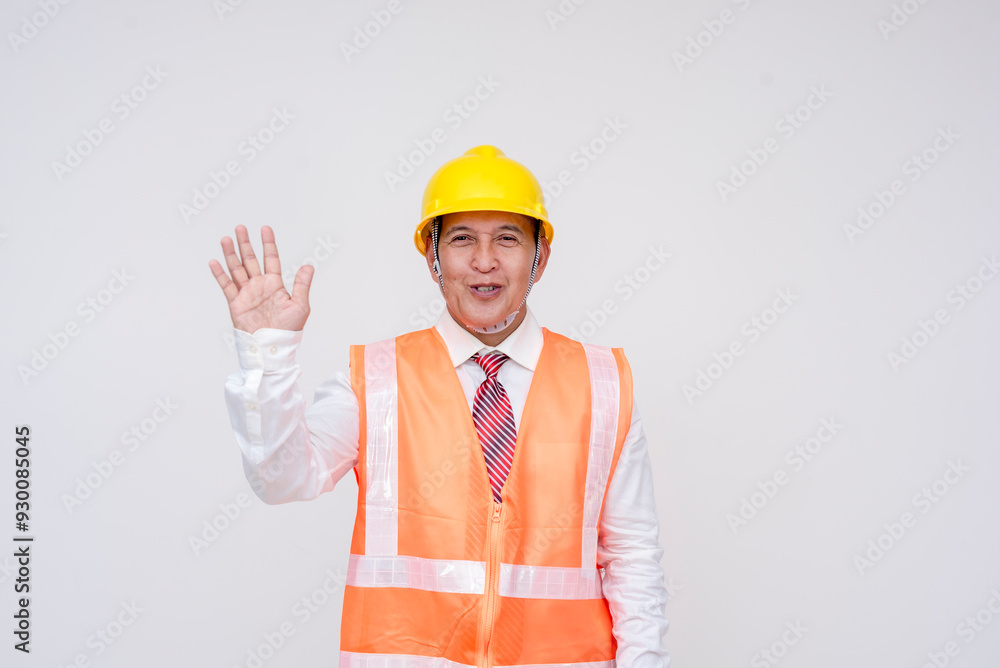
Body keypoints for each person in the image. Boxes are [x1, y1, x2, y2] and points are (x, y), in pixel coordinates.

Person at [210, 145, 671, 667]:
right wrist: (268, 355)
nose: (484, 261)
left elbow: (632, 555)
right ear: (432, 258)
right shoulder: (376, 380)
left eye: (507, 238)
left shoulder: (602, 383)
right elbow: (281, 480)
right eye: (461, 238)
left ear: (540, 257)